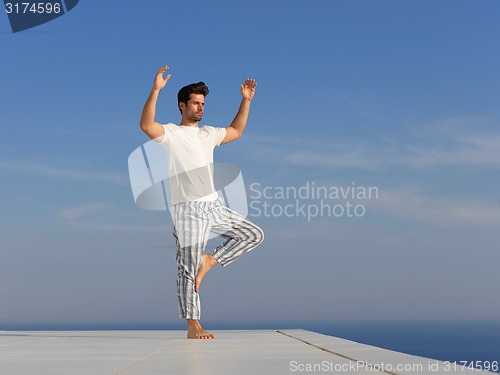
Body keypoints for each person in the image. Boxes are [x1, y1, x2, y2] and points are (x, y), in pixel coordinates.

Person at [139, 66, 264, 339]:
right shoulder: (171, 133)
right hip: (188, 211)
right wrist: (156, 90)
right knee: (186, 268)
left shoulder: (208, 134)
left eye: (203, 104)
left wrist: (246, 101)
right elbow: (146, 125)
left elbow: (236, 130)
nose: (200, 108)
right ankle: (193, 325)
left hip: (214, 206)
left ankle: (211, 260)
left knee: (253, 234)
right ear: (182, 105)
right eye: (195, 103)